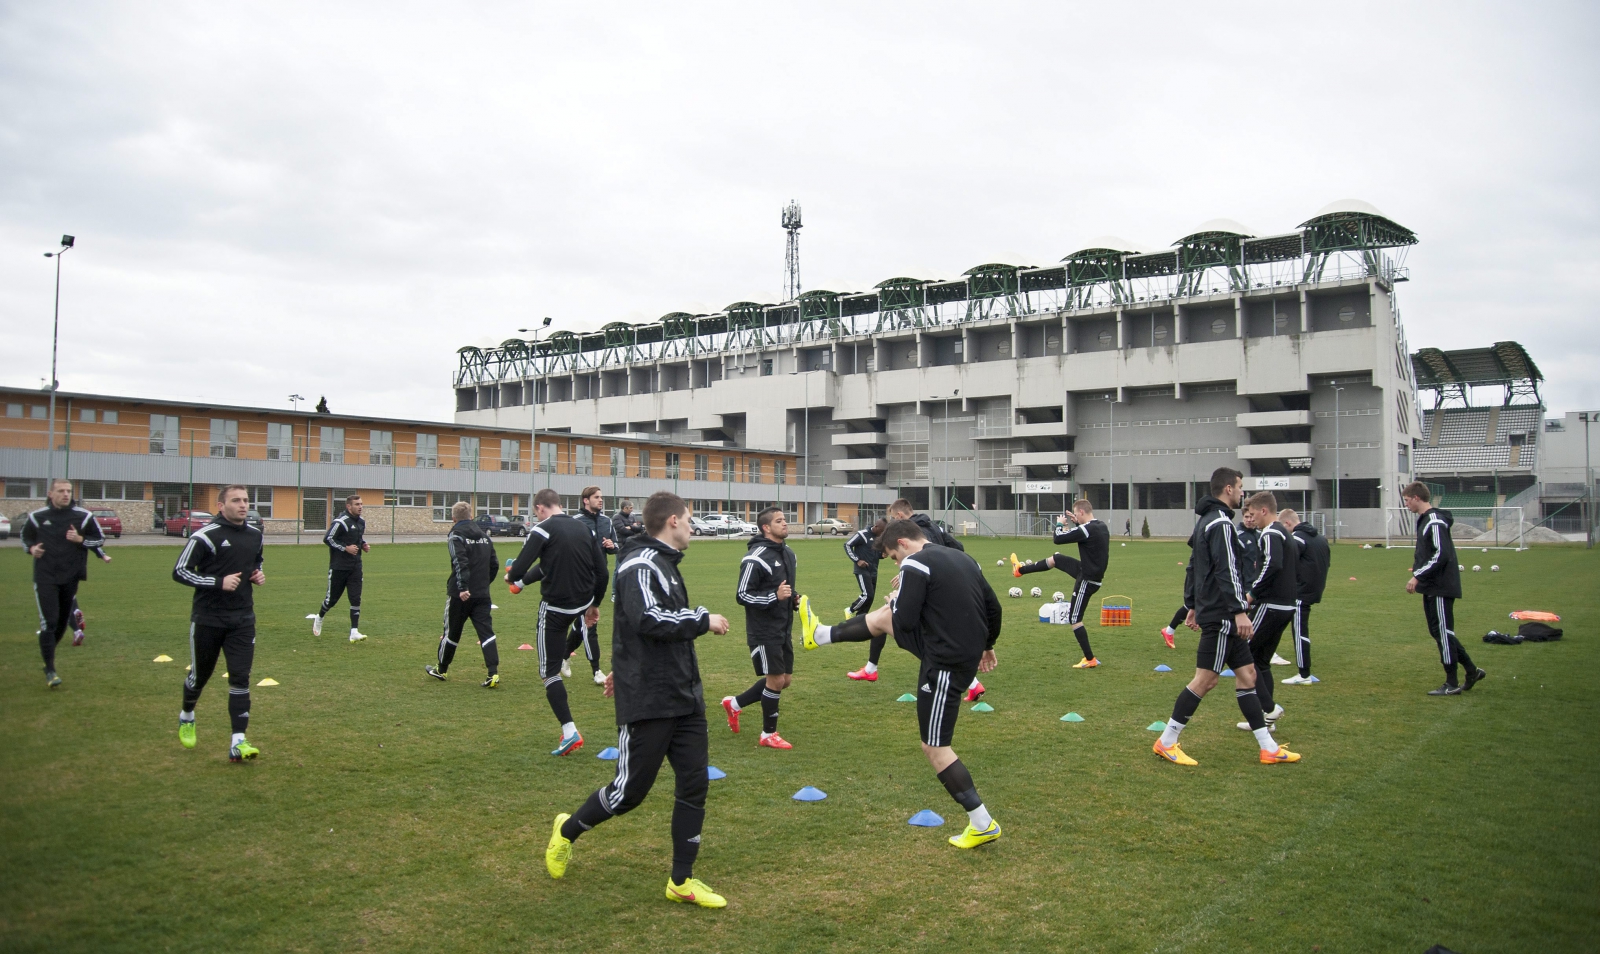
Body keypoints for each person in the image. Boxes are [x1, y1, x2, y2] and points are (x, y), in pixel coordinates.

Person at [545, 491, 732, 907]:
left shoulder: (663, 563)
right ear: (671, 521)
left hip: (684, 694)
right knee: (629, 793)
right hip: (649, 699)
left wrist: (623, 664)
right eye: (689, 519)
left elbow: (634, 625)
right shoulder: (640, 563)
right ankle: (566, 831)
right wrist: (702, 618)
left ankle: (681, 881)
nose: (692, 526)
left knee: (694, 783)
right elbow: (649, 618)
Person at [797, 519, 1005, 849]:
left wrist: (896, 597)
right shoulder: (962, 558)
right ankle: (819, 635)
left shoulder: (915, 563)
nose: (897, 562)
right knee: (881, 617)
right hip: (959, 654)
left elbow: (905, 619)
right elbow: (994, 608)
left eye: (894, 556)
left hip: (945, 665)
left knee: (935, 748)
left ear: (904, 544)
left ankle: (982, 822)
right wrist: (988, 644)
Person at [1152, 468, 1300, 767]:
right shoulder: (1219, 523)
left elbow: (1195, 566)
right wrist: (1238, 611)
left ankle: (1268, 747)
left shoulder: (1208, 521)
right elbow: (1225, 569)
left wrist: (1193, 604)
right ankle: (1166, 742)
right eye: (1241, 487)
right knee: (1205, 680)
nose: (1243, 493)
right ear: (1229, 489)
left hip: (1217, 611)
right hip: (1223, 616)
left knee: (1248, 676)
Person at [507, 488, 610, 755]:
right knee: (579, 637)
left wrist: (513, 578)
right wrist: (594, 605)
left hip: (554, 609)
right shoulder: (584, 530)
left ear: (541, 508)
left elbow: (518, 568)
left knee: (549, 672)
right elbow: (602, 572)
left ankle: (569, 732)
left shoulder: (542, 529)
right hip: (582, 602)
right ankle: (583, 664)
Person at [173, 485, 266, 762]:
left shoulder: (255, 535)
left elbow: (257, 562)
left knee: (240, 677)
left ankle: (238, 741)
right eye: (236, 500)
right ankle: (187, 714)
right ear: (220, 505)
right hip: (208, 619)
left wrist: (257, 575)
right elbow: (179, 571)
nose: (243, 505)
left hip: (243, 618)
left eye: (246, 500)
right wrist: (218, 582)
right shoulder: (204, 537)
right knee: (199, 676)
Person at [722, 507, 800, 749]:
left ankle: (734, 704)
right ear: (766, 527)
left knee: (784, 680)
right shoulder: (755, 557)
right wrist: (774, 597)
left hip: (783, 627)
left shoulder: (788, 553)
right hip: (763, 630)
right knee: (775, 680)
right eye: (779, 521)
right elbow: (742, 594)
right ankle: (768, 734)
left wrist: (793, 598)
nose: (785, 524)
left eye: (785, 520)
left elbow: (783, 588)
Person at [1402, 483, 1485, 696]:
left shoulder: (1434, 521)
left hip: (1440, 586)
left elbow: (1441, 554)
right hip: (1432, 585)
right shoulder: (1426, 521)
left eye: (1407, 500)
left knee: (1444, 632)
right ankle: (1471, 670)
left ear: (1417, 498)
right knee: (1438, 631)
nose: (1406, 504)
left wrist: (1417, 576)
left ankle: (1451, 682)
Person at [22, 479, 105, 687]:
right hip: (45, 577)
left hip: (71, 577)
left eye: (68, 491)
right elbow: (25, 539)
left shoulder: (83, 517)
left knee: (60, 623)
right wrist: (32, 549)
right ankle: (50, 670)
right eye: (61, 491)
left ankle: (48, 657)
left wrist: (80, 540)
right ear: (51, 494)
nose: (66, 494)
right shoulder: (37, 517)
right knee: (49, 622)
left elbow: (99, 539)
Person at [1011, 498, 1109, 669]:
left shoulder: (1086, 529)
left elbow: (1058, 538)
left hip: (1088, 578)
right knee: (1057, 559)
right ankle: (1020, 570)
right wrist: (1076, 524)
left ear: (1080, 512)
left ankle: (1090, 658)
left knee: (1074, 618)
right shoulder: (1100, 526)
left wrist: (1059, 524)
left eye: (1076, 514)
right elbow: (1085, 534)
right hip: (1086, 570)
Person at [1233, 493, 1295, 734]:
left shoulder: (1270, 533)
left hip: (1271, 604)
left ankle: (1268, 708)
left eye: (1253, 514)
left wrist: (1252, 595)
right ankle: (1265, 718)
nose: (1252, 519)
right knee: (1261, 661)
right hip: (1287, 605)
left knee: (1244, 654)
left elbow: (1272, 564)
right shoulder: (1284, 533)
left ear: (1264, 511)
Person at [426, 501, 501, 686]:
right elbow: (495, 564)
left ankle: (441, 670)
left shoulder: (455, 536)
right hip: (482, 594)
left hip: (460, 594)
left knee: (451, 632)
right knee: (486, 632)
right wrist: (483, 584)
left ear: (453, 518)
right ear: (470, 516)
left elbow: (460, 562)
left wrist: (463, 587)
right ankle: (493, 673)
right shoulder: (484, 536)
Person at [563, 486, 617, 683]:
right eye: (597, 497)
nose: (601, 500)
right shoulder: (575, 522)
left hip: (599, 580)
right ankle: (596, 671)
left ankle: (564, 654)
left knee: (582, 624)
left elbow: (616, 546)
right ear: (585, 500)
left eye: (602, 497)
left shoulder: (606, 521)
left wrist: (612, 546)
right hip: (579, 580)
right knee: (590, 624)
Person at [1279, 509, 1329, 685]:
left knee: (1299, 631)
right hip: (1314, 589)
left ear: (1287, 524)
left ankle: (1304, 674)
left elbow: (1286, 560)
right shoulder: (1320, 538)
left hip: (1301, 592)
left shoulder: (1298, 538)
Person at [313, 494, 369, 642]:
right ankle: (319, 617)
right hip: (339, 567)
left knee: (355, 598)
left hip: (355, 567)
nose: (360, 507)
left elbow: (358, 538)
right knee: (331, 600)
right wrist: (345, 548)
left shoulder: (361, 522)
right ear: (348, 506)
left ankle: (354, 631)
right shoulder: (340, 522)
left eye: (361, 504)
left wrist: (363, 544)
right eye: (357, 504)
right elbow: (328, 539)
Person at [844, 517, 888, 681]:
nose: (882, 534)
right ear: (876, 527)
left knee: (869, 600)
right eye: (882, 530)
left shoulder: (879, 538)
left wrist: (882, 555)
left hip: (874, 571)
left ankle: (859, 620)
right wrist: (857, 560)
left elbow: (877, 553)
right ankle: (849, 610)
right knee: (867, 595)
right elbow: (847, 545)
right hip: (862, 570)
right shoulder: (862, 535)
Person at [887, 497, 964, 551]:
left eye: (894, 518)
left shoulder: (909, 532)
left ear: (900, 515)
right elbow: (958, 547)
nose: (894, 521)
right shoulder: (936, 527)